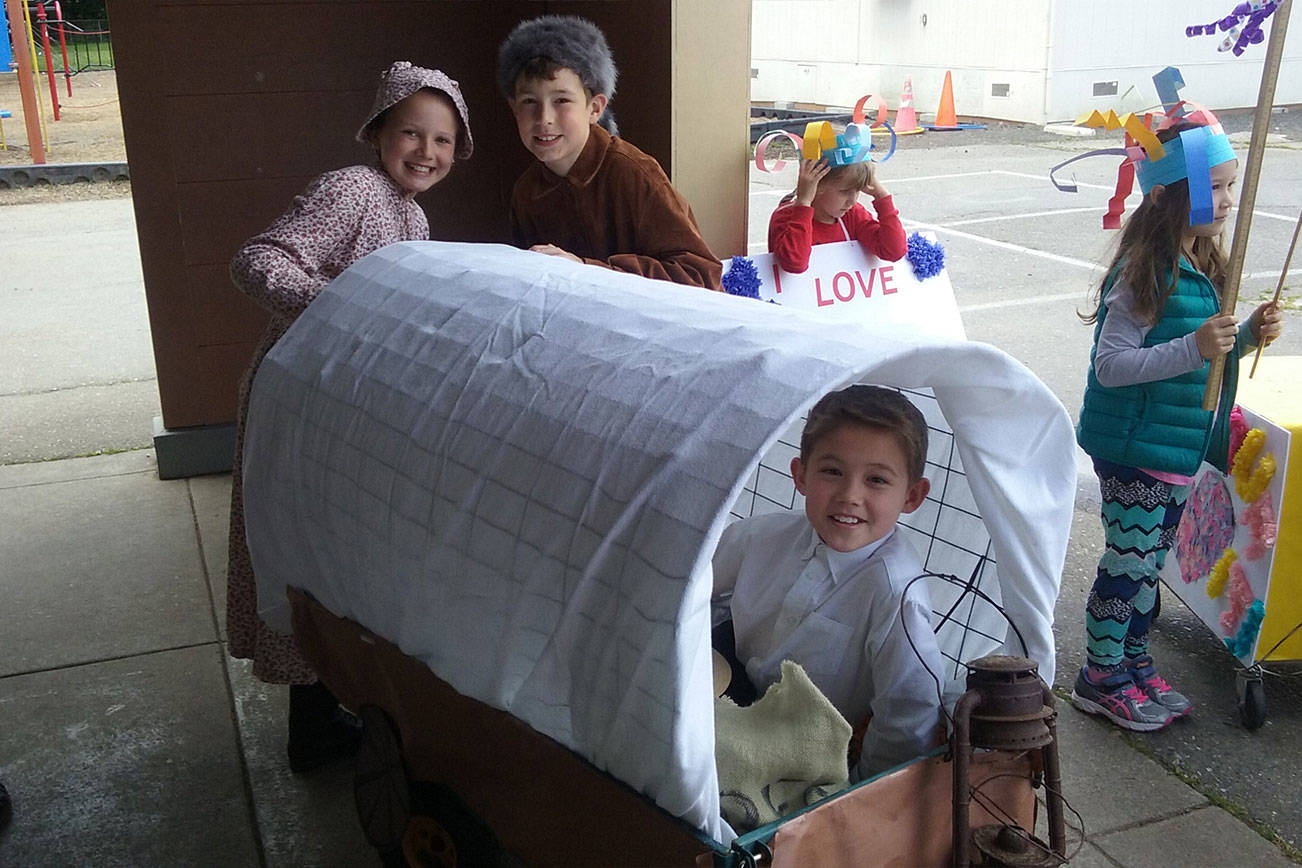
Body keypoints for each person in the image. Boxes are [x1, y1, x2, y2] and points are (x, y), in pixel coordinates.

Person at [227, 61, 472, 772]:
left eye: (444, 140)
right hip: (295, 398)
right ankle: (312, 730)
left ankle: (323, 716)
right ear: (378, 133)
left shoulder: (414, 214)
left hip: (342, 408)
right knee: (303, 549)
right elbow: (256, 260)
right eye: (411, 133)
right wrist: (342, 310)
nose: (427, 152)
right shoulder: (355, 189)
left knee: (334, 555)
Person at [1072, 120, 1283, 732]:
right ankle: (1099, 674)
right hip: (1134, 447)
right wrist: (1196, 346)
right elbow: (1112, 367)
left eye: (1230, 188)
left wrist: (1242, 338)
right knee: (1128, 563)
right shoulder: (1147, 270)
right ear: (1168, 194)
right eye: (1213, 188)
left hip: (1177, 448)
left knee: (1150, 563)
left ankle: (1132, 659)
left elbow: (1202, 360)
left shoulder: (1201, 261)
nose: (1226, 203)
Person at [711, 385, 945, 781]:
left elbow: (908, 713)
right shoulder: (760, 537)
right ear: (800, 476)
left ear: (912, 496)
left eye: (876, 480)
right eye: (832, 472)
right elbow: (691, 588)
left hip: (810, 742)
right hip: (738, 689)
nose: (850, 495)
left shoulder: (897, 595)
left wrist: (852, 796)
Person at [496, 15, 723, 290]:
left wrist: (585, 270)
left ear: (595, 108)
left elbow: (701, 276)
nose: (544, 118)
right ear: (513, 109)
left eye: (561, 100)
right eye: (529, 101)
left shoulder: (633, 174)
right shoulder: (526, 192)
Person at [767, 157, 907, 274]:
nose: (852, 201)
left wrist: (882, 196)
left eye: (857, 190)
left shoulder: (851, 214)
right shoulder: (786, 216)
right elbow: (794, 264)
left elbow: (894, 251)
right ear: (817, 185)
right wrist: (804, 202)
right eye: (844, 191)